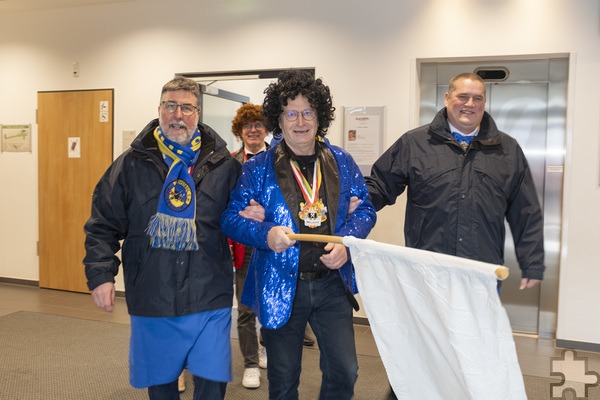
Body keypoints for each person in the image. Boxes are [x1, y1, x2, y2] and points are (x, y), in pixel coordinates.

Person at [363, 72, 545, 399]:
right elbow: (379, 185)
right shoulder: (414, 143)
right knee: (422, 350)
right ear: (447, 98)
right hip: (427, 273)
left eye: (477, 98)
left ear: (484, 104)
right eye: (462, 96)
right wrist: (351, 208)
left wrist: (533, 262)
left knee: (472, 353)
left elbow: (525, 210)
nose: (469, 104)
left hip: (480, 275)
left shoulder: (507, 150)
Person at [221, 69, 377, 400]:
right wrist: (265, 234)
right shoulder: (257, 168)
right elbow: (230, 219)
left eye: (308, 111)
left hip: (331, 285)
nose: (300, 120)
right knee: (283, 379)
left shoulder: (342, 162)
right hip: (279, 284)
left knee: (345, 371)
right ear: (279, 119)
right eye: (291, 112)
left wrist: (345, 242)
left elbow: (365, 210)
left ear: (320, 117)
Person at [83, 77, 241, 400]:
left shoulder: (224, 166)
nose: (177, 115)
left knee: (212, 386)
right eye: (170, 106)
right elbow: (102, 222)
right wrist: (101, 275)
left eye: (186, 107)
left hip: (208, 295)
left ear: (198, 113)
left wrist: (253, 215)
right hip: (153, 296)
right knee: (162, 390)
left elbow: (240, 218)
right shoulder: (130, 164)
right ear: (159, 110)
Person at [229, 103, 270, 389]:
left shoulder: (280, 159)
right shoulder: (231, 163)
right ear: (240, 131)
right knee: (245, 309)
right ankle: (250, 364)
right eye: (247, 126)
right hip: (244, 246)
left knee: (271, 304)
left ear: (266, 129)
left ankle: (266, 345)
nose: (253, 130)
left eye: (258, 124)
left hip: (272, 243)